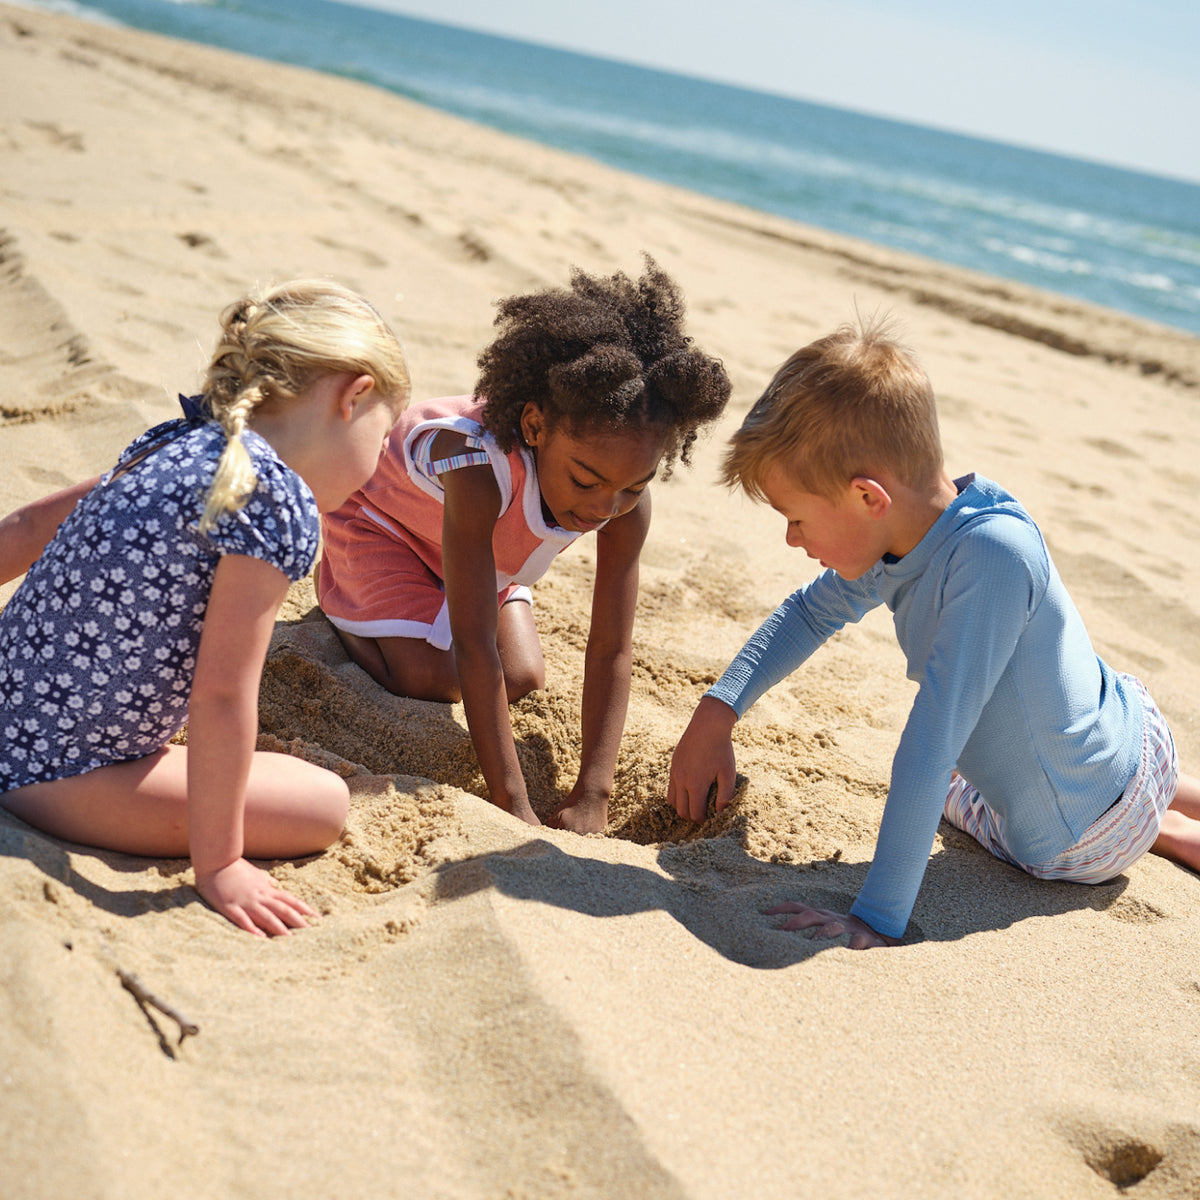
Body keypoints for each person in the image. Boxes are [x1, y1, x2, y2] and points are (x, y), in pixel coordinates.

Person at [668, 317, 1200, 948]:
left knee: (945, 784)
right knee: (1031, 730)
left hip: (1078, 845)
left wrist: (875, 917)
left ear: (868, 498)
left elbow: (930, 745)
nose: (792, 538)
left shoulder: (991, 560)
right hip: (1127, 733)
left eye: (797, 518)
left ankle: (1162, 825)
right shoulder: (922, 526)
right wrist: (716, 712)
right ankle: (1164, 799)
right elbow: (810, 614)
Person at [0, 280, 411, 937]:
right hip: (50, 775)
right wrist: (220, 864)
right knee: (325, 803)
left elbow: (20, 529)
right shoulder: (274, 500)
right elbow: (221, 696)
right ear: (353, 395)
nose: (378, 463)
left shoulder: (173, 439)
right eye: (384, 439)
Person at [318, 257, 730, 832]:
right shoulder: (474, 470)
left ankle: (419, 611)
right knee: (430, 677)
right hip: (383, 531)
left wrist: (594, 791)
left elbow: (612, 644)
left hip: (477, 560)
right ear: (534, 427)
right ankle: (344, 613)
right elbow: (472, 643)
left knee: (524, 677)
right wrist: (514, 804)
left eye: (634, 486)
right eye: (586, 481)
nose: (603, 508)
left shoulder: (622, 502)